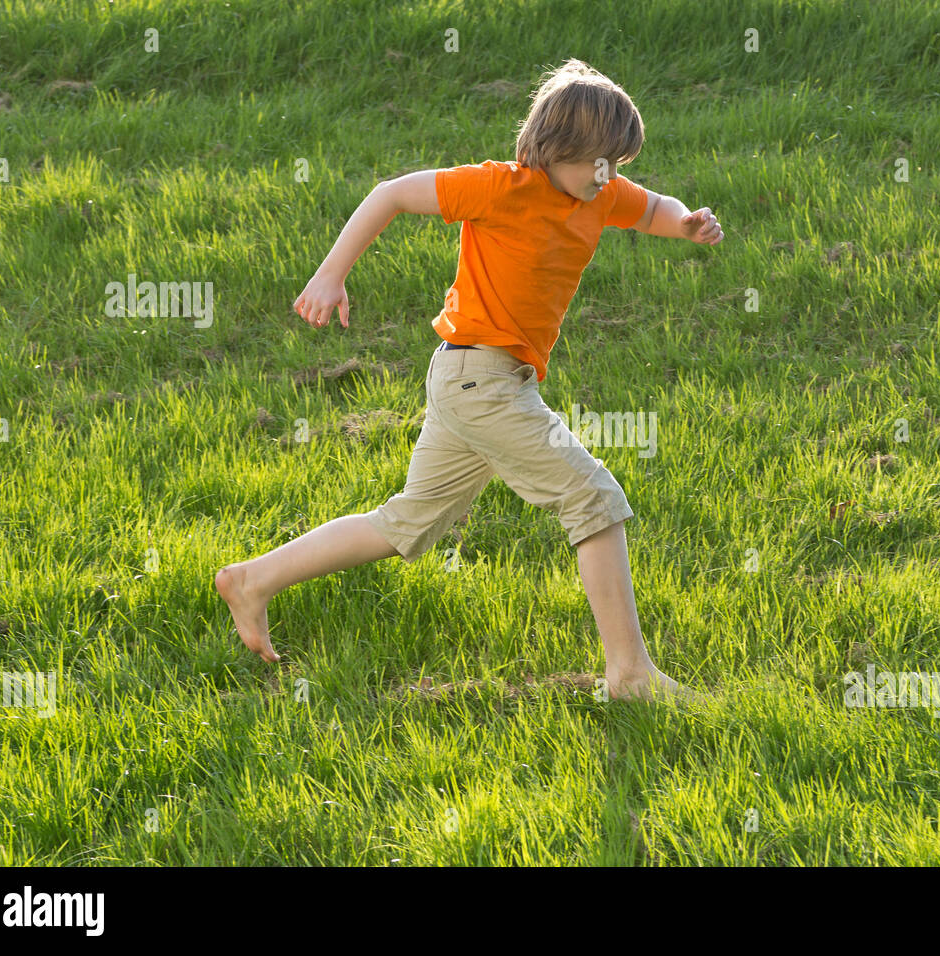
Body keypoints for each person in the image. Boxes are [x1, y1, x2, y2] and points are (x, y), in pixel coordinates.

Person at [215, 58, 723, 702]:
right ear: (554, 147)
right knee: (592, 495)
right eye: (598, 162)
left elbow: (655, 207)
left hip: (485, 381)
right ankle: (629, 675)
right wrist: (330, 274)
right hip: (479, 380)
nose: (609, 176)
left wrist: (685, 223)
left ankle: (253, 580)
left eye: (617, 164)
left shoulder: (600, 195)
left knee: (408, 524)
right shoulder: (501, 187)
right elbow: (392, 194)